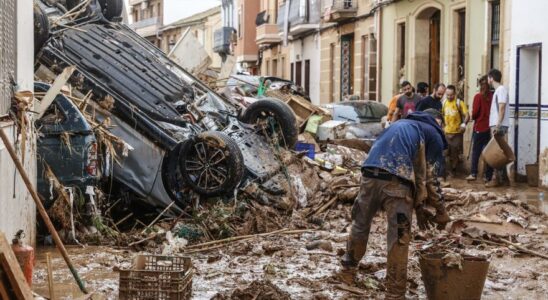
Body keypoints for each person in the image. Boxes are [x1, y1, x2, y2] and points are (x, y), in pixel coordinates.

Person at [339, 110, 450, 299]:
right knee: (398, 237)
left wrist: (419, 207)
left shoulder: (399, 125)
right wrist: (441, 211)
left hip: (369, 175)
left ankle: (348, 268)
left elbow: (416, 172)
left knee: (360, 224)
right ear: (438, 122)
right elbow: (429, 177)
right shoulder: (434, 134)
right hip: (396, 183)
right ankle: (395, 293)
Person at [486, 69, 515, 187]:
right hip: (497, 124)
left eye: (488, 78)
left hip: (499, 125)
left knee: (496, 153)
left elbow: (502, 107)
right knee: (498, 152)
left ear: (491, 78)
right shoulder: (498, 90)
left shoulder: (501, 90)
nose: (488, 80)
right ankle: (502, 179)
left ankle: (496, 179)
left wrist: (497, 125)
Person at [466, 76, 494, 182]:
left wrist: (472, 116)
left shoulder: (478, 97)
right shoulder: (492, 96)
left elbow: (475, 113)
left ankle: (473, 173)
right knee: (489, 152)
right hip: (489, 128)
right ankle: (488, 176)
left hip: (479, 127)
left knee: (476, 152)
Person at [441, 85, 469, 177]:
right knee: (446, 153)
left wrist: (464, 124)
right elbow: (441, 115)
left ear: (455, 94)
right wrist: (442, 127)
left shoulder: (459, 103)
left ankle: (454, 171)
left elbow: (467, 115)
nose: (449, 97)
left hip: (457, 133)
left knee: (455, 153)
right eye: (447, 95)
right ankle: (449, 171)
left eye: (451, 95)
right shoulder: (444, 103)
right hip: (446, 132)